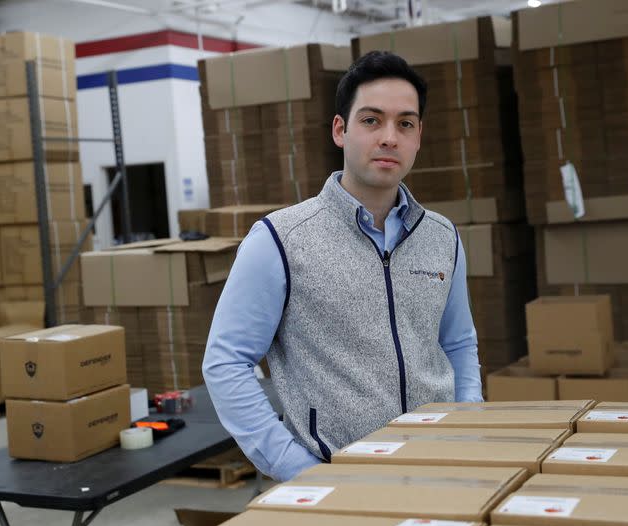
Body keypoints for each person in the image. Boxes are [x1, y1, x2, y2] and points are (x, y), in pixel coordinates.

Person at [202, 50, 482, 482]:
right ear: (340, 130)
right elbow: (226, 363)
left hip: (438, 470)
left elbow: (459, 344)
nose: (389, 137)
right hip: (336, 475)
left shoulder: (442, 237)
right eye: (372, 120)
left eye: (405, 123)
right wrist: (296, 469)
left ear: (418, 136)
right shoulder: (280, 240)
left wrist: (467, 429)